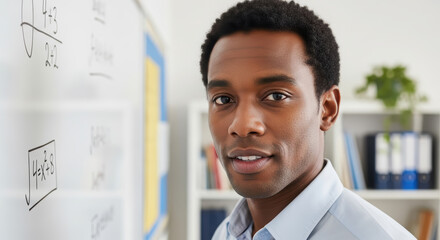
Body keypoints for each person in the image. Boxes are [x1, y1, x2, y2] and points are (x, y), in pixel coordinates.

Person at [199, 0, 416, 239]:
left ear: (327, 109)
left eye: (276, 95)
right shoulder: (227, 232)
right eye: (222, 100)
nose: (242, 126)